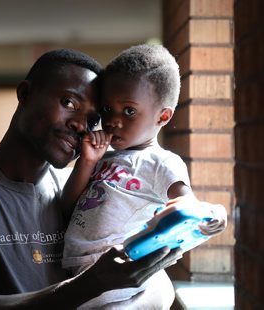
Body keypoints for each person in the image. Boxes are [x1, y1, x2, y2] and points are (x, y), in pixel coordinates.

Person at [0, 48, 183, 309]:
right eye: (69, 103)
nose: (79, 125)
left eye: (92, 119)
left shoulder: (86, 194)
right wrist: (94, 282)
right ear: (26, 94)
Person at [59, 44, 228, 308]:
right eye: (107, 110)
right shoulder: (100, 156)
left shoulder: (162, 163)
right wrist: (87, 161)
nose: (113, 120)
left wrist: (213, 213)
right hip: (78, 274)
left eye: (128, 111)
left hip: (117, 276)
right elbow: (66, 207)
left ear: (162, 116)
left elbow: (186, 205)